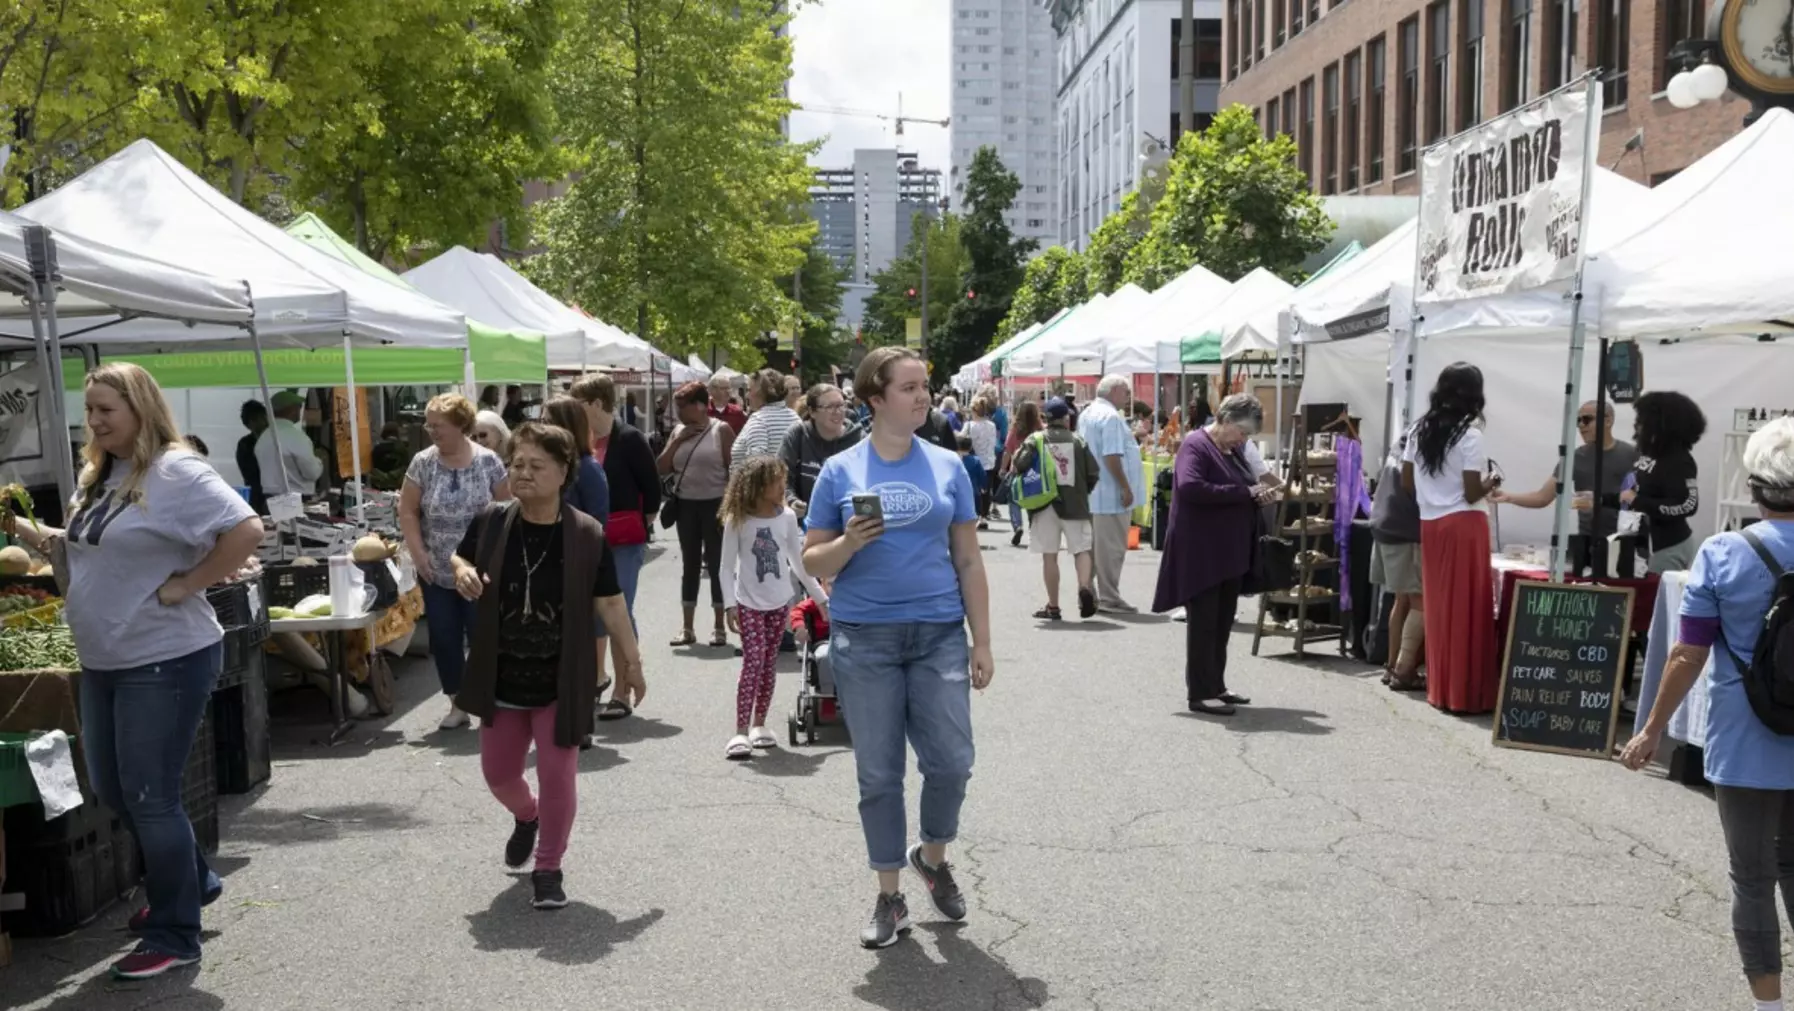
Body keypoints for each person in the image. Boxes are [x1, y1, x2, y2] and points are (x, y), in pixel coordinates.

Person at [5, 363, 262, 979]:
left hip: (164, 657)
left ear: (140, 410)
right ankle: (192, 879)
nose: (93, 421)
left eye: (105, 411)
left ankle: (177, 934)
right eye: (89, 409)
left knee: (150, 796)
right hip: (105, 658)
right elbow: (86, 545)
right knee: (118, 790)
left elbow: (246, 529)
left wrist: (190, 582)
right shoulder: (105, 472)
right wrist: (24, 530)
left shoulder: (177, 471)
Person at [802, 346, 993, 949]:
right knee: (879, 774)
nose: (923, 397)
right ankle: (889, 896)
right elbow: (812, 559)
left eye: (925, 387)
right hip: (866, 636)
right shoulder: (841, 471)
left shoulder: (947, 466)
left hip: (939, 634)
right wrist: (848, 545)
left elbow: (968, 557)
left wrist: (981, 639)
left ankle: (931, 857)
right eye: (908, 388)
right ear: (875, 399)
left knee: (952, 763)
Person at [1621, 417, 1794, 1011]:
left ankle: (1769, 1005)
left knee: (1752, 877)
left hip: (1744, 735)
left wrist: (1649, 730)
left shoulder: (1723, 553)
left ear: (1754, 485)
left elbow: (1687, 653)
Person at [450, 421, 644, 912]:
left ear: (564, 473)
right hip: (502, 675)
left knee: (559, 775)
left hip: (562, 678)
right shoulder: (492, 521)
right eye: (517, 464)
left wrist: (632, 664)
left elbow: (611, 603)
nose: (523, 473)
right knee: (498, 774)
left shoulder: (585, 534)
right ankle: (527, 815)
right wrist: (464, 572)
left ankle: (549, 867)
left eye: (537, 466)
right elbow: (459, 558)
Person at [1152, 394, 1271, 716]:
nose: (1244, 440)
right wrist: (1242, 493)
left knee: (1220, 624)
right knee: (1204, 625)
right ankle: (1200, 692)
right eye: (1242, 432)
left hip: (1227, 554)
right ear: (1227, 421)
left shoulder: (1230, 450)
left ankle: (1216, 685)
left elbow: (1243, 486)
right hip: (1202, 553)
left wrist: (1255, 496)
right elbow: (1191, 487)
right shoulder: (1196, 444)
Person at [400, 393, 512, 730]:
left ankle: (489, 700)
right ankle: (457, 702)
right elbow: (407, 510)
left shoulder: (488, 461)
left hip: (482, 571)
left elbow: (507, 509)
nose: (431, 431)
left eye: (438, 425)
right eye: (428, 424)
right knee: (445, 639)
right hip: (437, 570)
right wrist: (419, 555)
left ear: (460, 425)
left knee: (483, 636)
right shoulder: (422, 462)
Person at [1402, 363, 1499, 714]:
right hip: (1465, 523)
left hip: (1432, 523)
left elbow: (1407, 482)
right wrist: (1491, 483)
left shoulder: (1418, 431)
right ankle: (1467, 692)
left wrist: (1434, 493)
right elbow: (1473, 492)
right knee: (1469, 606)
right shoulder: (1470, 435)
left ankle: (1442, 689)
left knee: (1440, 607)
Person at [718, 457, 825, 758]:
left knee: (768, 663)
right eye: (777, 481)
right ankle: (739, 732)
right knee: (752, 661)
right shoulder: (737, 519)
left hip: (780, 601)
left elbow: (798, 561)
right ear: (759, 485)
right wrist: (729, 605)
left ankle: (759, 725)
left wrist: (819, 597)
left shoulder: (787, 517)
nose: (783, 486)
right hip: (749, 601)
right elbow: (726, 567)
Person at [569, 374, 660, 720]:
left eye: (579, 402)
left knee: (621, 609)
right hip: (587, 541)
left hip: (623, 541)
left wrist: (637, 526)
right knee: (593, 612)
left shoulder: (630, 439)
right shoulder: (580, 441)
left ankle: (623, 690)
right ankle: (599, 678)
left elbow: (652, 492)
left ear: (595, 403)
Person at [1490, 400, 1637, 572]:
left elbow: (1642, 499)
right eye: (1578, 421)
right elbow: (1543, 497)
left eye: (1587, 419)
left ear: (1608, 421)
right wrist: (1508, 497)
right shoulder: (1575, 458)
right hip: (1587, 542)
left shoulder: (1631, 455)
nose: (1581, 426)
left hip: (1624, 543)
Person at [660, 381, 735, 647]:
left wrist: (731, 507)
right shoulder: (679, 430)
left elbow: (733, 469)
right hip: (686, 506)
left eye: (684, 406)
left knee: (716, 566)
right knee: (689, 565)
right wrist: (679, 439)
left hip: (715, 504)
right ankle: (687, 627)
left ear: (701, 406)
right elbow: (662, 467)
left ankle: (718, 627)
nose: (678, 411)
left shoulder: (721, 430)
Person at [1013, 397, 1100, 621]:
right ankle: (1084, 587)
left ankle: (1053, 606)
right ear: (1066, 418)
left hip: (1044, 504)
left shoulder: (1036, 438)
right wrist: (1084, 491)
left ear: (1046, 419)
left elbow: (1019, 465)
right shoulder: (1078, 441)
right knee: (1081, 550)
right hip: (1075, 504)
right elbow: (1093, 473)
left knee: (1049, 556)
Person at [1619, 390, 1706, 573]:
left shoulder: (1679, 461)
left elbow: (1687, 504)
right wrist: (1601, 499)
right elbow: (1632, 494)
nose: (1637, 425)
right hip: (1645, 545)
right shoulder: (1649, 454)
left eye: (1642, 420)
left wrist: (1638, 501)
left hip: (1668, 548)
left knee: (1660, 599)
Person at [1079, 375, 1145, 614]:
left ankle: (1088, 588)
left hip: (1094, 492)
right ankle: (1109, 596)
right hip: (1110, 493)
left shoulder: (1087, 414)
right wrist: (1126, 487)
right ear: (1116, 391)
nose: (1127, 398)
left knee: (1095, 547)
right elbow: (1111, 455)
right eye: (1126, 393)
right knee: (1111, 549)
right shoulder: (1110, 418)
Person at [1370, 426, 1426, 691]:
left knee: (1402, 597)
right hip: (1404, 528)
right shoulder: (1423, 444)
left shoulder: (1405, 438)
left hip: (1384, 522)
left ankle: (1392, 666)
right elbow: (1415, 486)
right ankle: (1403, 670)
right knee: (1419, 599)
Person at [782, 382, 864, 521]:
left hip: (847, 524)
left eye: (840, 405)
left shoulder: (859, 440)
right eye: (829, 407)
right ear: (812, 412)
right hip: (805, 524)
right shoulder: (798, 434)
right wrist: (791, 500)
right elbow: (781, 476)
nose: (837, 411)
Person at [542, 397, 611, 523]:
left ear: (566, 425)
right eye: (541, 421)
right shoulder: (546, 464)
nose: (542, 428)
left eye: (548, 422)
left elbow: (598, 522)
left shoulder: (588, 468)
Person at [254, 390, 324, 504]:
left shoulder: (264, 437)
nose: (300, 410)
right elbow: (311, 473)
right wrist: (319, 460)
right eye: (299, 407)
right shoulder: (296, 437)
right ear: (291, 409)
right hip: (294, 499)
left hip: (270, 499)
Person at [731, 369, 801, 466]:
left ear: (761, 393)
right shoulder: (795, 418)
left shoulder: (759, 420)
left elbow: (756, 464)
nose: (747, 395)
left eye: (749, 390)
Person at [999, 399, 1044, 548]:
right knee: (1034, 499)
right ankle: (1034, 528)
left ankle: (1018, 526)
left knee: (1014, 500)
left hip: (1017, 469)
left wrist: (1002, 468)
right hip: (1035, 470)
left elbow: (1008, 451)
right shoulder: (1040, 429)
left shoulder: (1015, 429)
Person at [964, 398, 999, 517]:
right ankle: (984, 516)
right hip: (989, 461)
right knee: (986, 490)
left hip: (972, 461)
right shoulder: (992, 425)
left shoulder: (969, 425)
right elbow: (993, 442)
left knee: (972, 488)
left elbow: (961, 440)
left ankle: (974, 513)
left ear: (974, 411)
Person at [235, 399, 268, 514]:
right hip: (258, 496)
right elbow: (251, 473)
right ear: (249, 423)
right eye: (260, 418)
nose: (265, 421)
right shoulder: (245, 444)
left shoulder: (274, 439)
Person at [956, 434, 989, 529]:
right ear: (970, 447)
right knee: (972, 514)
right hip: (973, 492)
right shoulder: (975, 460)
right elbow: (982, 475)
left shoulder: (954, 460)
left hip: (957, 492)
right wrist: (984, 487)